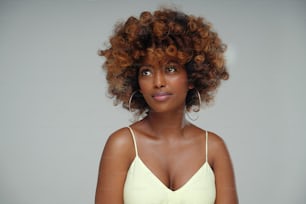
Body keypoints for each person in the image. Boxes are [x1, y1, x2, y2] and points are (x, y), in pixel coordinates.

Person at [95, 7, 238, 204]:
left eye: (171, 69)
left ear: (192, 77)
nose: (158, 82)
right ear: (136, 81)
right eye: (146, 72)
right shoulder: (122, 145)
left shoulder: (213, 148)